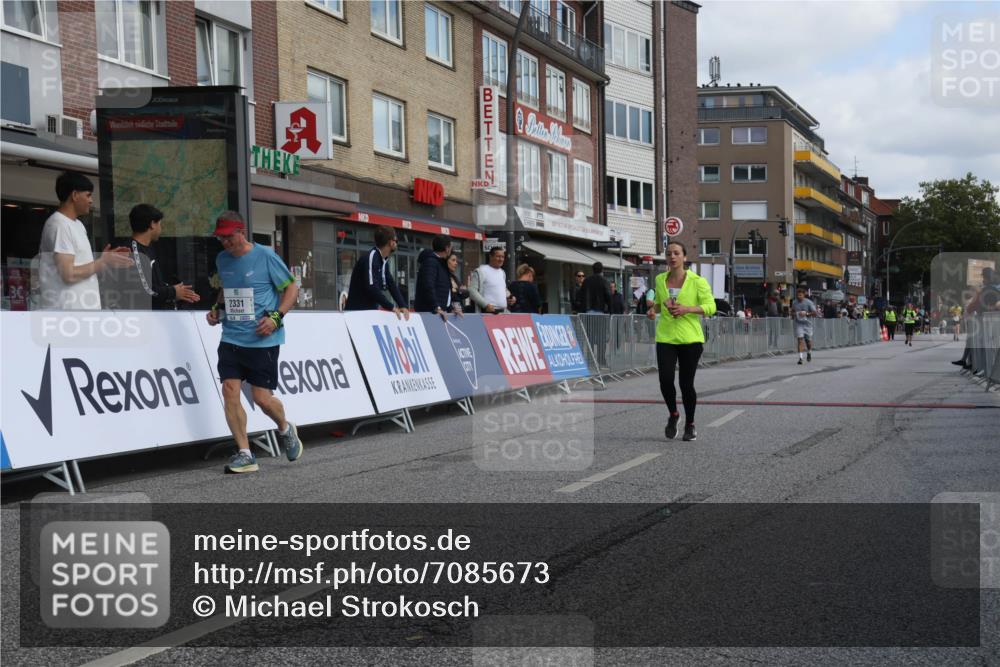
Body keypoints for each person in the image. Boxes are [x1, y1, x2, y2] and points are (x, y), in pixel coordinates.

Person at [206, 211, 303, 474]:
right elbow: (226, 288)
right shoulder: (222, 259)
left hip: (262, 339)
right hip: (231, 336)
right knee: (229, 390)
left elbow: (292, 288)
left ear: (241, 231)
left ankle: (285, 427)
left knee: (261, 398)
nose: (225, 243)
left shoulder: (266, 256)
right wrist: (216, 308)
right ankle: (245, 453)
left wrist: (276, 317)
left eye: (229, 237)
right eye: (221, 238)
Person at [647, 241, 716, 442]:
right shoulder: (660, 279)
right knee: (665, 380)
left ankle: (691, 423)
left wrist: (687, 309)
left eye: (676, 253)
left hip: (690, 338)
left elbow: (710, 306)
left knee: (686, 384)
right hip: (666, 337)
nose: (672, 257)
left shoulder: (697, 281)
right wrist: (653, 311)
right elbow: (659, 305)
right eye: (669, 254)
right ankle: (674, 414)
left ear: (684, 257)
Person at [37, 171, 131, 310]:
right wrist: (102, 261)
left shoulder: (77, 225)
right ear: (74, 195)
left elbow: (81, 267)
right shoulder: (59, 225)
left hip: (81, 313)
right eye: (88, 195)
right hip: (66, 314)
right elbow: (68, 274)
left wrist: (104, 260)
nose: (91, 200)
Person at [115, 203, 200, 310]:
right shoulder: (133, 251)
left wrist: (176, 292)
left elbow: (154, 285)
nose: (161, 228)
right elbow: (145, 291)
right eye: (160, 224)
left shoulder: (148, 248)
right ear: (152, 224)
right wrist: (173, 292)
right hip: (141, 318)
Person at [345, 225, 409, 318]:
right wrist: (391, 307)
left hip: (369, 312)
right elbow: (371, 287)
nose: (396, 243)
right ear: (391, 242)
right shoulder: (372, 257)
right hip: (357, 314)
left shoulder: (382, 260)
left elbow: (391, 284)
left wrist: (402, 305)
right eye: (396, 241)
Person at [414, 234, 453, 318]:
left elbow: (443, 289)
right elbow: (428, 285)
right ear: (447, 248)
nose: (451, 250)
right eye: (450, 247)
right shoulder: (431, 262)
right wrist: (436, 307)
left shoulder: (441, 263)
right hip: (431, 313)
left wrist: (450, 308)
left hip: (440, 312)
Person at [468, 246, 510, 313]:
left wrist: (510, 297)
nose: (501, 259)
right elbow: (472, 291)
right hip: (487, 313)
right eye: (498, 256)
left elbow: (502, 289)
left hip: (502, 312)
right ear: (490, 257)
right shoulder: (481, 271)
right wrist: (486, 305)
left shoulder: (502, 272)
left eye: (502, 257)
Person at [791, 287, 818, 364]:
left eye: (800, 295)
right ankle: (800, 358)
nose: (799, 297)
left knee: (808, 341)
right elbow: (792, 312)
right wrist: (795, 314)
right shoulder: (794, 303)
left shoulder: (809, 302)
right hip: (798, 323)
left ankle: (809, 352)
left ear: (804, 295)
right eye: (798, 295)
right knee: (800, 340)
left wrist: (806, 313)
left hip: (807, 324)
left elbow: (815, 313)